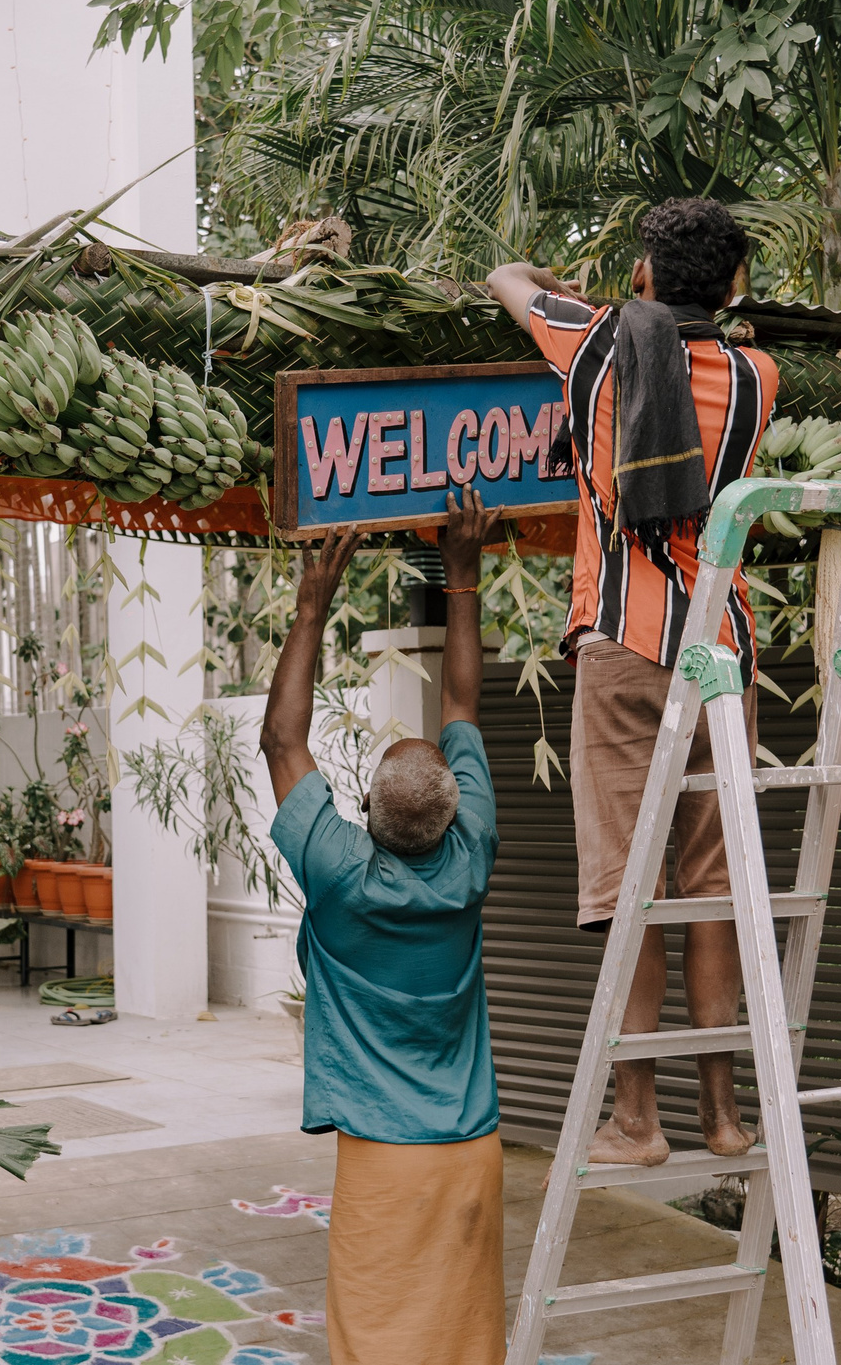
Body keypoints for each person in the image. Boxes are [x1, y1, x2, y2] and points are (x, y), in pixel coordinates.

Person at [483, 198, 777, 1164]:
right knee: (710, 886)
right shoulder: (758, 377)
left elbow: (506, 281)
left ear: (642, 278)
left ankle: (638, 1120)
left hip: (622, 643)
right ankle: (727, 1118)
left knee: (628, 885)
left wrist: (571, 290)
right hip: (721, 653)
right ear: (733, 288)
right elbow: (713, 334)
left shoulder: (600, 343)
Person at [260, 487, 506, 1365]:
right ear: (452, 813)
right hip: (472, 1149)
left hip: (385, 1162)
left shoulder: (338, 872)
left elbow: (283, 740)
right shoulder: (471, 857)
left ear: (365, 808)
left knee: (380, 1343)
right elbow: (464, 706)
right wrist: (463, 575)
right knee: (463, 1342)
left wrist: (311, 609)